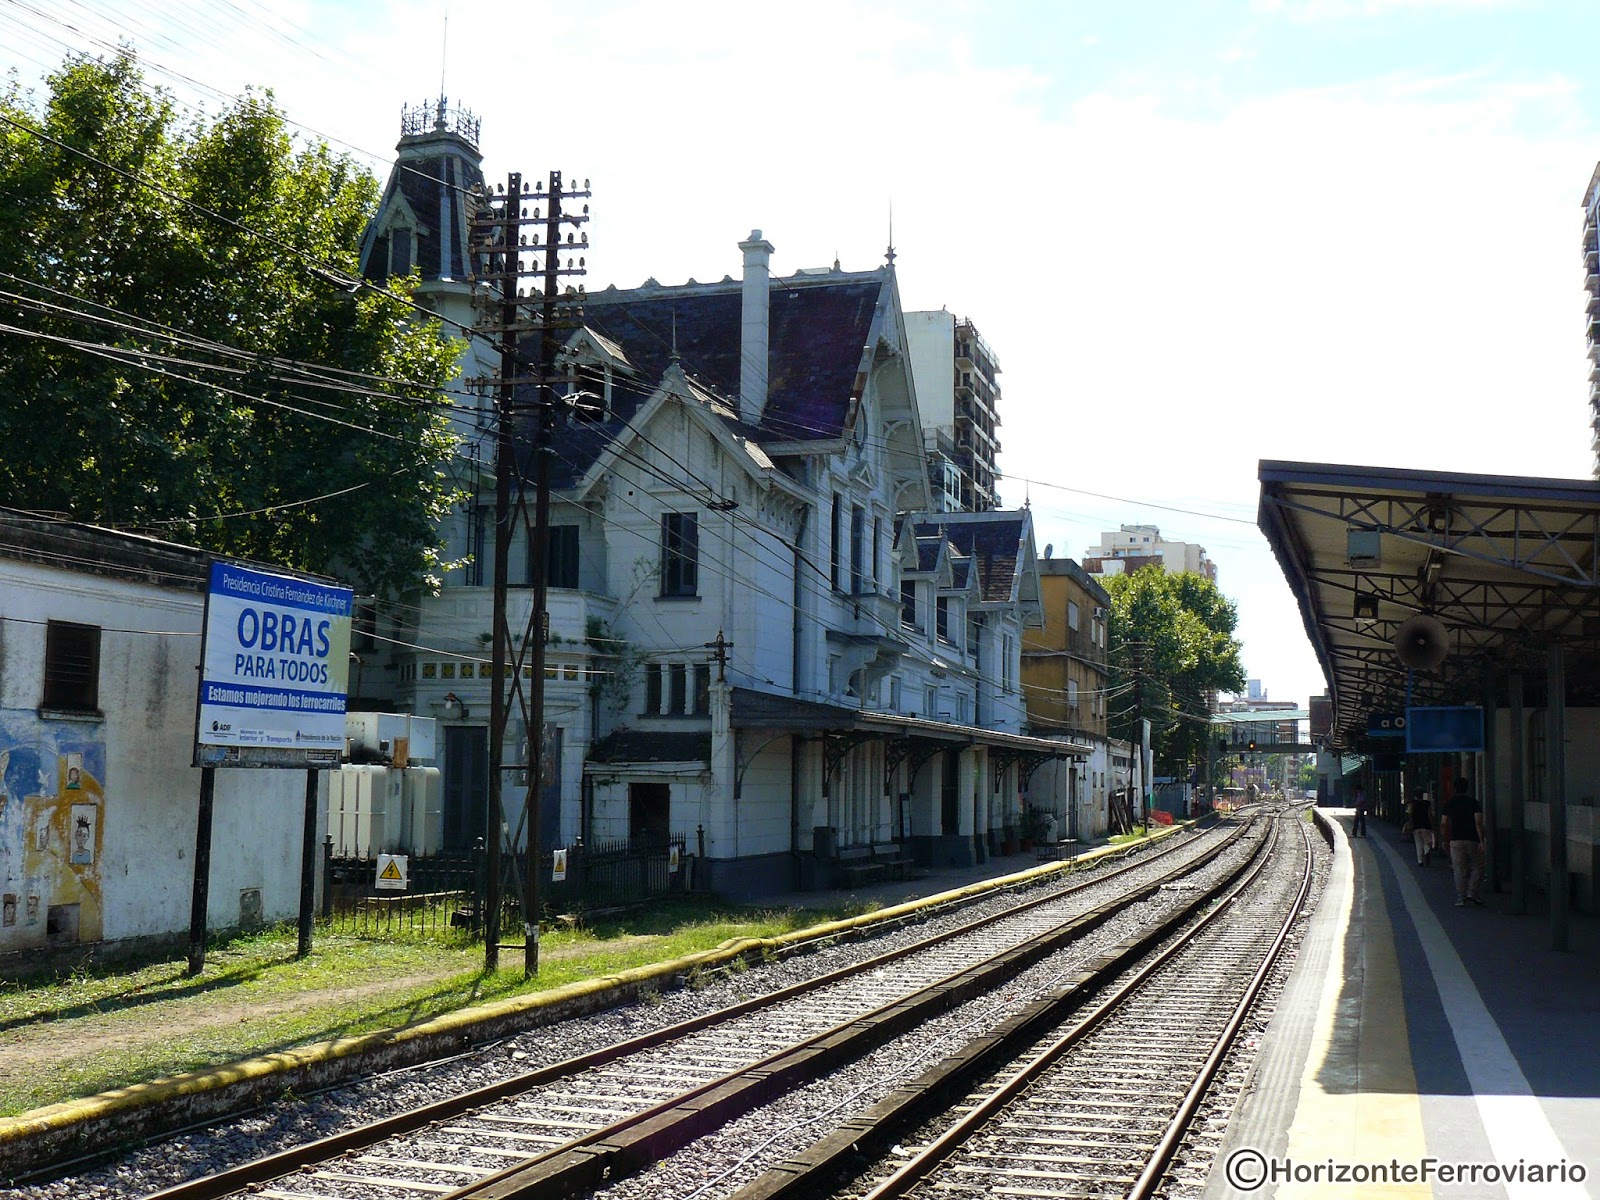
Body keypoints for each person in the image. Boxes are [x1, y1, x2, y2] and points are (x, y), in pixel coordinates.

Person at [1440, 777, 1485, 906]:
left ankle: (1461, 897)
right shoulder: (1473, 803)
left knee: (1459, 868)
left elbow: (1444, 823)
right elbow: (1478, 822)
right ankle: (1472, 892)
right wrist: (1481, 841)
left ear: (1454, 789)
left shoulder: (1449, 803)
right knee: (1478, 866)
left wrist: (1443, 840)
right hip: (1472, 839)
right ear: (1467, 788)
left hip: (1455, 839)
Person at [1408, 788, 1434, 866]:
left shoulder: (1412, 804)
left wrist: (1410, 825)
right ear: (1422, 795)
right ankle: (1426, 852)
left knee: (1418, 843)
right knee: (1427, 841)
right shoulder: (1427, 803)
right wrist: (1433, 825)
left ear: (1415, 795)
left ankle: (1420, 861)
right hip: (1426, 825)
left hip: (1416, 825)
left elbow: (1410, 814)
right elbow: (1430, 815)